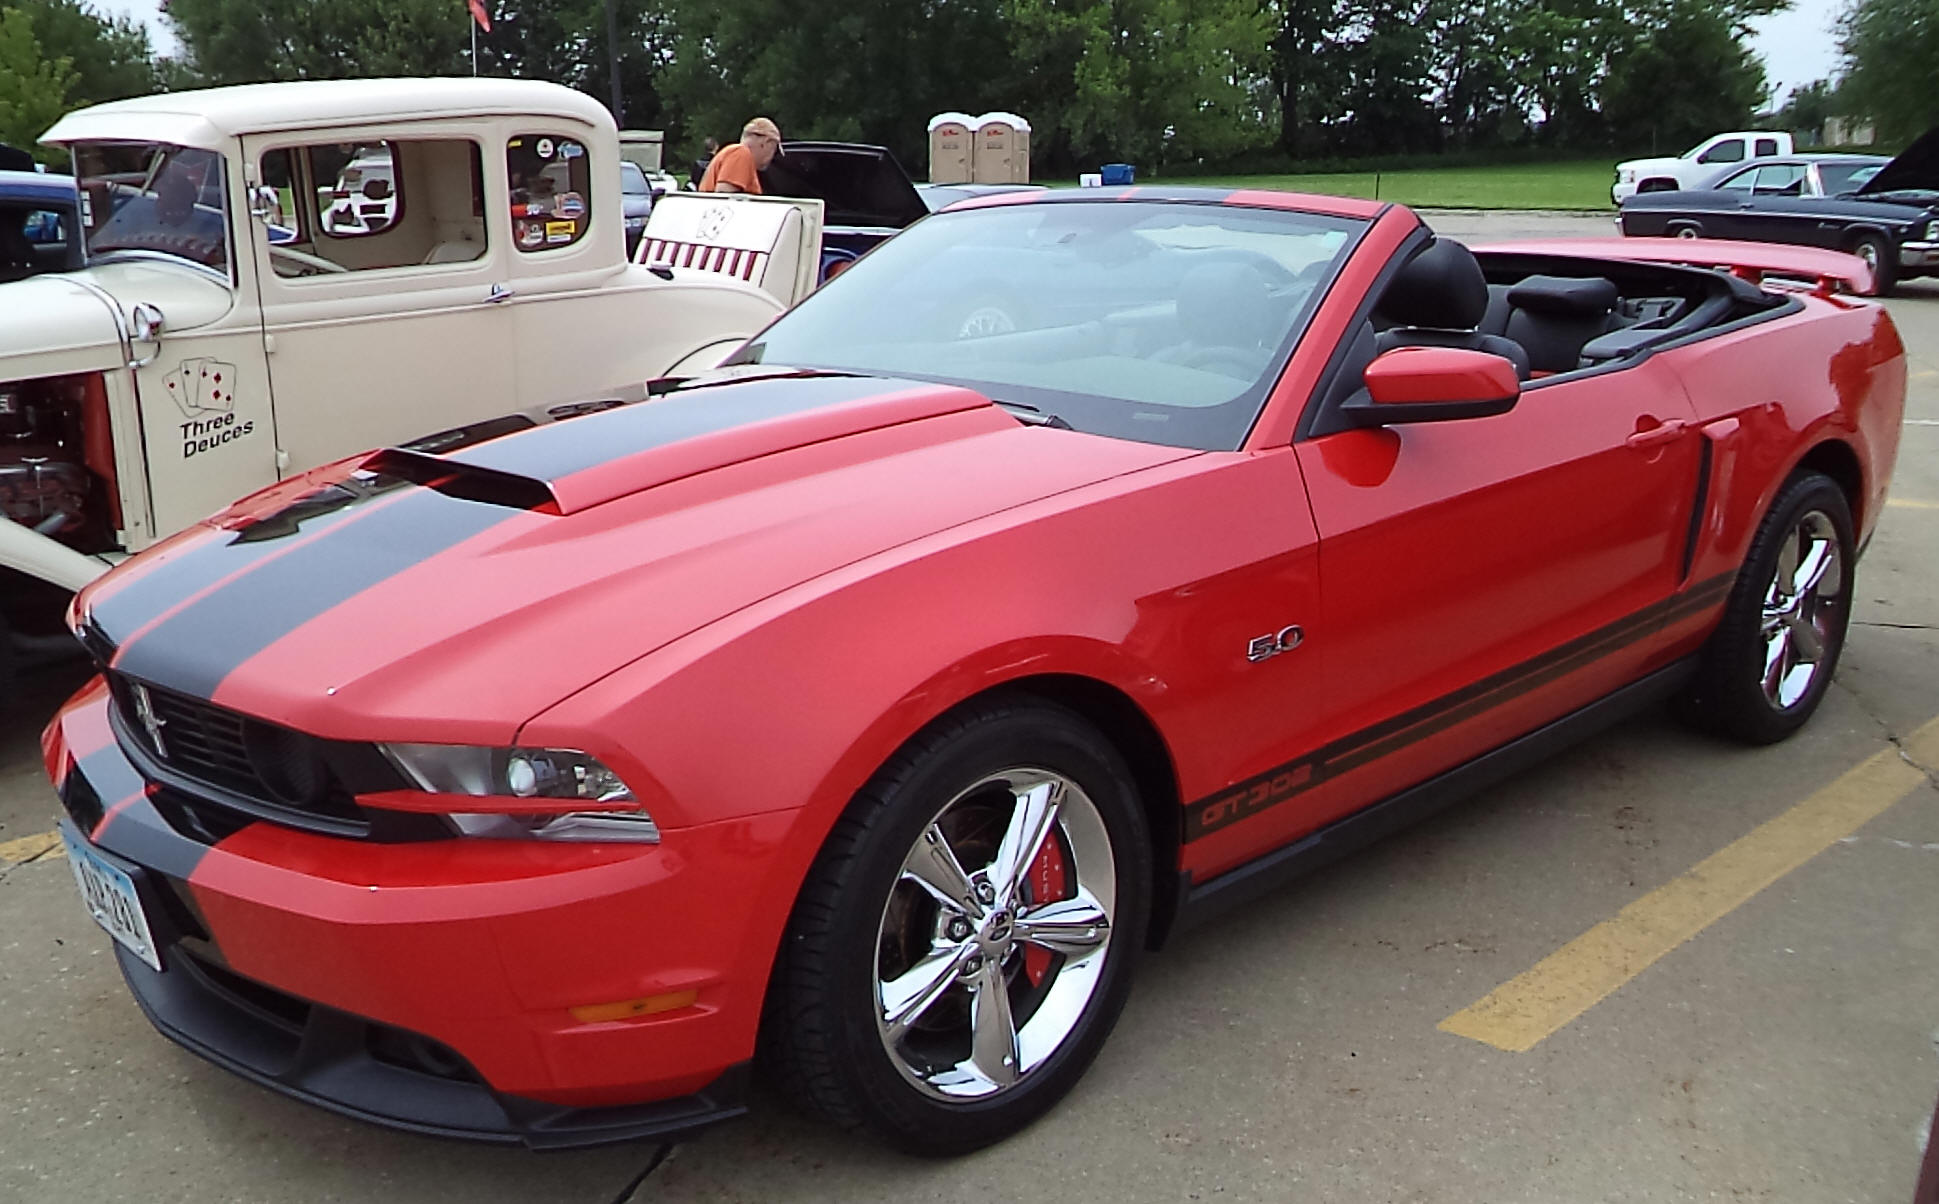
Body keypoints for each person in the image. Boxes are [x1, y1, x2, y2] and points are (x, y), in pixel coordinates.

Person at [699, 118, 781, 195]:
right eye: (774, 149)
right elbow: (725, 198)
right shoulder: (741, 153)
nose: (773, 155)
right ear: (765, 143)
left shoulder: (734, 153)